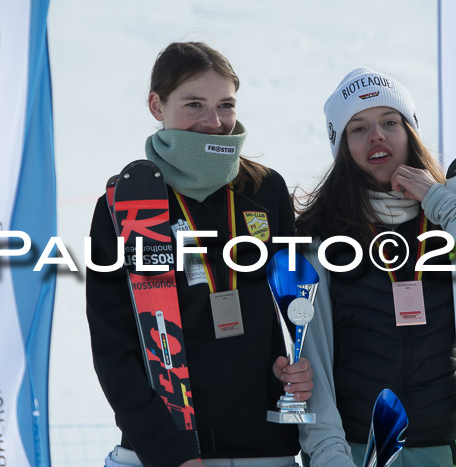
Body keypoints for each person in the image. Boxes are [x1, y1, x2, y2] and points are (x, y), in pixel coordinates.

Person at [295, 67, 456, 466]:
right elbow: (314, 364)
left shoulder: (452, 220)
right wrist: (331, 457)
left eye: (390, 122)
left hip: (444, 450)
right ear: (341, 147)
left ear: (411, 131)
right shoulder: (320, 237)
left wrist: (443, 203)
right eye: (357, 128)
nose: (376, 135)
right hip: (358, 452)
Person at [86, 42, 312, 467]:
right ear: (157, 105)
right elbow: (113, 347)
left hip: (263, 447)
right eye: (195, 104)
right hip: (163, 450)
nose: (215, 122)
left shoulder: (265, 191)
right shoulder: (126, 204)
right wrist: (167, 452)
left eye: (225, 105)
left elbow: (294, 307)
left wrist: (291, 370)